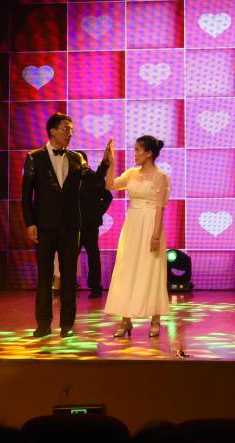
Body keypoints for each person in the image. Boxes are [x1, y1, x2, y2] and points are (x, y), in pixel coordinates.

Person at [21, 112, 109, 338]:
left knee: (69, 276)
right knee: (45, 276)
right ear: (52, 131)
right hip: (44, 225)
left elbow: (95, 182)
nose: (70, 133)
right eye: (65, 129)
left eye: (71, 130)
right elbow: (26, 195)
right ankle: (43, 324)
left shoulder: (76, 157)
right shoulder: (34, 157)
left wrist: (105, 162)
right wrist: (30, 223)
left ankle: (67, 325)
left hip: (71, 226)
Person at [103, 135, 171, 338]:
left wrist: (156, 236)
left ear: (149, 153)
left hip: (150, 225)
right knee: (127, 269)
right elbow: (110, 185)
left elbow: (160, 208)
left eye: (138, 150)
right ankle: (126, 321)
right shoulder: (132, 173)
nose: (135, 154)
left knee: (152, 270)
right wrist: (111, 162)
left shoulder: (160, 176)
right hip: (132, 225)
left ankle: (155, 319)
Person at [80, 167, 114, 298]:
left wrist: (98, 212)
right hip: (72, 224)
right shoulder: (69, 177)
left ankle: (95, 287)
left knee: (93, 255)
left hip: (90, 224)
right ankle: (69, 285)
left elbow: (108, 196)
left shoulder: (93, 178)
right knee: (70, 256)